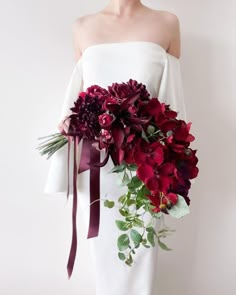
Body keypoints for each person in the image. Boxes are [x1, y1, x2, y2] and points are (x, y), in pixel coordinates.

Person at [44, 1, 189, 294]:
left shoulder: (167, 22)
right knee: (104, 254)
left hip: (145, 167)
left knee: (142, 250)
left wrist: (175, 157)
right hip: (97, 166)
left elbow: (172, 97)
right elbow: (80, 93)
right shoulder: (82, 26)